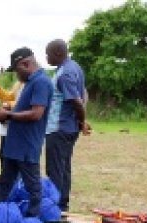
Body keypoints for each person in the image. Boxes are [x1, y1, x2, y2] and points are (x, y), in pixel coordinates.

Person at [0, 47, 54, 218]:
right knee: (4, 182)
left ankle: (33, 220)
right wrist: (4, 116)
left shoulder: (41, 82)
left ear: (26, 64)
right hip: (15, 144)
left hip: (27, 144)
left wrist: (9, 114)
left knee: (32, 186)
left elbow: (36, 113)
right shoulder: (30, 83)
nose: (16, 76)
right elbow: (23, 109)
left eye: (17, 70)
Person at [45, 39, 90, 212]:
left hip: (59, 128)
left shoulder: (65, 73)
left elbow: (76, 101)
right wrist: (80, 120)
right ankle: (62, 206)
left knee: (55, 170)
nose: (47, 58)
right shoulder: (75, 67)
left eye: (48, 54)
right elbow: (84, 93)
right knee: (64, 168)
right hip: (68, 127)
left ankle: (56, 208)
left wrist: (82, 120)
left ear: (57, 53)